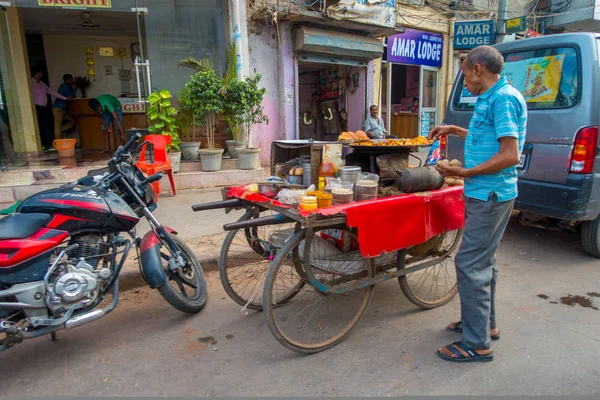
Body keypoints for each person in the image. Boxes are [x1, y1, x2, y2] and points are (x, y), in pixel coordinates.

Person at [428, 45, 527, 363]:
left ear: (478, 70)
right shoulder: (494, 97)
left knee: (470, 264)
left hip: (491, 194)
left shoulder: (503, 98)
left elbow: (510, 154)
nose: (465, 83)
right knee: (484, 262)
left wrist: (464, 172)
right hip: (484, 193)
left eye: (465, 75)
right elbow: (490, 136)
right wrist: (454, 130)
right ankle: (484, 325)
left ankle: (477, 343)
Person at [31, 67, 68, 151]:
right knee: (40, 126)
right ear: (37, 73)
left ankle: (49, 144)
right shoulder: (30, 83)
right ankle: (44, 145)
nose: (42, 75)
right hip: (36, 108)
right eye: (41, 73)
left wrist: (65, 98)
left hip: (44, 107)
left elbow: (51, 92)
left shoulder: (41, 83)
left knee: (46, 125)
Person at [52, 74, 77, 140]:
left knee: (73, 121)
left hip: (64, 109)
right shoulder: (63, 86)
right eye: (71, 79)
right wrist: (75, 88)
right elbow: (69, 96)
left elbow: (73, 97)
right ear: (66, 80)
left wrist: (73, 89)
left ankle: (61, 130)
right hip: (58, 108)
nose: (72, 81)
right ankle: (58, 143)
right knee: (57, 126)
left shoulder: (69, 87)